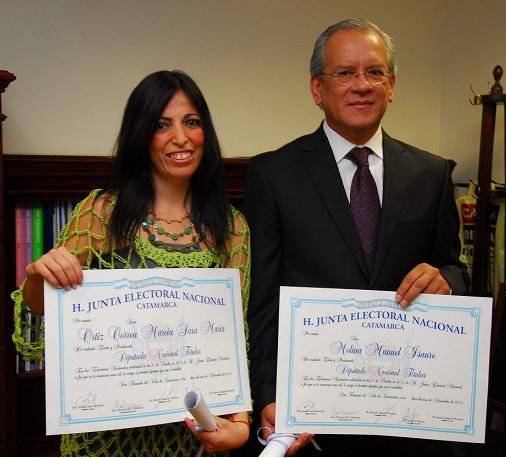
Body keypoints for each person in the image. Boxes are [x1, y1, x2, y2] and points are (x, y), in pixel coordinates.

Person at [243, 18, 470, 456]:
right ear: (317, 88)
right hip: (312, 416)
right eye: (345, 73)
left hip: (409, 413)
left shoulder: (431, 173)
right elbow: (262, 299)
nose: (361, 85)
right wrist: (268, 393)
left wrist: (447, 279)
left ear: (392, 85)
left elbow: (454, 269)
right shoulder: (274, 174)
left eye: (375, 72)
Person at [12, 70, 251, 456]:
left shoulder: (232, 227)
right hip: (105, 440)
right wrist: (41, 275)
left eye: (192, 122)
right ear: (141, 135)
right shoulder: (103, 211)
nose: (181, 137)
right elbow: (41, 308)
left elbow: (234, 339)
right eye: (162, 125)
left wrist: (240, 424)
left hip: (190, 437)